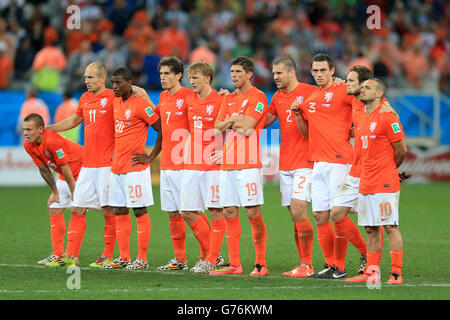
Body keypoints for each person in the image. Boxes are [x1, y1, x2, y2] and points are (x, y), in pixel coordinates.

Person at [291, 53, 357, 278]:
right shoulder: (310, 100)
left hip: (339, 160)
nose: (319, 74)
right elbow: (306, 133)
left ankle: (358, 256)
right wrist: (299, 115)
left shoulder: (344, 90)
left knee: (339, 214)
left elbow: (365, 102)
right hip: (318, 163)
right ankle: (331, 265)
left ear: (332, 70)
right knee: (320, 215)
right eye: (315, 71)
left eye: (323, 70)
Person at [46, 62, 117, 268]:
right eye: (85, 77)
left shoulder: (113, 97)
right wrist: (47, 129)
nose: (86, 81)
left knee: (107, 209)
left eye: (91, 77)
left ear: (102, 78)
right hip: (88, 164)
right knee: (77, 208)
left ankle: (107, 255)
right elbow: (72, 121)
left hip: (107, 165)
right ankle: (71, 255)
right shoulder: (85, 98)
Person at [211, 56, 269, 276]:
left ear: (249, 74)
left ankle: (261, 264)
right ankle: (234, 264)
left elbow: (248, 127)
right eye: (232, 72)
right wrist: (235, 120)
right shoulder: (229, 98)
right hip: (227, 163)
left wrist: (231, 121)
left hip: (248, 164)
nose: (234, 76)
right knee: (228, 211)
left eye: (238, 72)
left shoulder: (259, 96)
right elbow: (217, 127)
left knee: (253, 212)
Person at [346, 79, 407, 284]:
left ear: (379, 93)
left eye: (367, 88)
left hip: (384, 182)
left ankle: (396, 273)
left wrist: (389, 169)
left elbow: (401, 150)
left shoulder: (388, 117)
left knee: (390, 226)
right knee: (371, 228)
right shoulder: (364, 117)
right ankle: (372, 272)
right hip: (366, 181)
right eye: (361, 87)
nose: (362, 89)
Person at [103, 67, 162, 270]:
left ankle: (142, 259)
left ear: (130, 83)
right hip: (117, 166)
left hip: (136, 167)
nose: (115, 87)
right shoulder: (115, 103)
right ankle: (124, 257)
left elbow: (161, 127)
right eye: (112, 83)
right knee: (119, 210)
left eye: (118, 83)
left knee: (139, 210)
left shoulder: (141, 105)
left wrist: (151, 156)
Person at [264, 56, 318, 277]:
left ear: (291, 73)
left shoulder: (310, 92)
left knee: (298, 210)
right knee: (295, 216)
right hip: (285, 164)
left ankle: (308, 264)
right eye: (274, 73)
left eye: (279, 73)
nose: (275, 77)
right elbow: (262, 120)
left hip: (306, 162)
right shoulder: (277, 97)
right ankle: (303, 263)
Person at [181, 61, 225, 273]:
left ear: (208, 78)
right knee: (188, 211)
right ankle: (212, 255)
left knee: (216, 211)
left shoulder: (221, 99)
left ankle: (211, 258)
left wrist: (225, 152)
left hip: (213, 166)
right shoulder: (188, 99)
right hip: (192, 164)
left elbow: (233, 127)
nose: (192, 82)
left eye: (196, 77)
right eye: (190, 78)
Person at [22, 113, 84, 265]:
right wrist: (55, 193)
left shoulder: (53, 141)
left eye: (29, 130)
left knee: (81, 209)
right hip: (66, 174)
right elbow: (44, 169)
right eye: (24, 129)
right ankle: (58, 254)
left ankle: (72, 256)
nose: (25, 133)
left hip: (83, 171)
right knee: (54, 206)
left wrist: (74, 190)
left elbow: (65, 166)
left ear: (40, 129)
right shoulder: (28, 144)